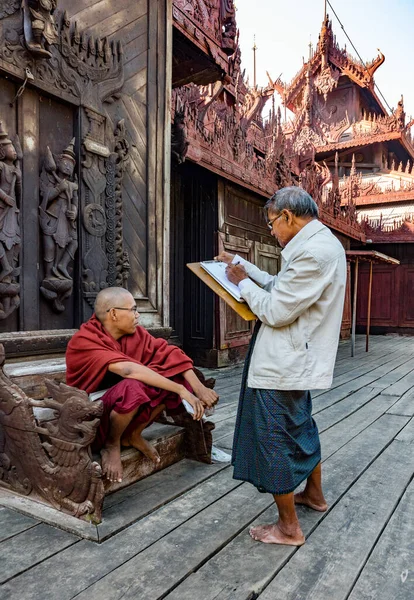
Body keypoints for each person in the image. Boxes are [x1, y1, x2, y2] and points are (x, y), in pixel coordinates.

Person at [215, 186, 346, 546]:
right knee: (300, 428)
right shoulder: (319, 245)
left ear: (288, 216)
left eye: (272, 223)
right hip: (293, 358)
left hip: (283, 362)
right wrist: (243, 268)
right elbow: (280, 287)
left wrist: (241, 284)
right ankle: (314, 495)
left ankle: (288, 527)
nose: (271, 230)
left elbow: (275, 309)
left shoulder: (313, 254)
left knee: (273, 438)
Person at [66, 287, 218, 483]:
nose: (138, 315)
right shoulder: (84, 340)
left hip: (120, 410)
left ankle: (132, 434)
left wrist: (198, 388)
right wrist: (181, 391)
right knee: (134, 387)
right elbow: (128, 371)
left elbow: (168, 353)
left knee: (171, 378)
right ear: (114, 313)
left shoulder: (133, 334)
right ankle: (112, 444)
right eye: (133, 310)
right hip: (91, 419)